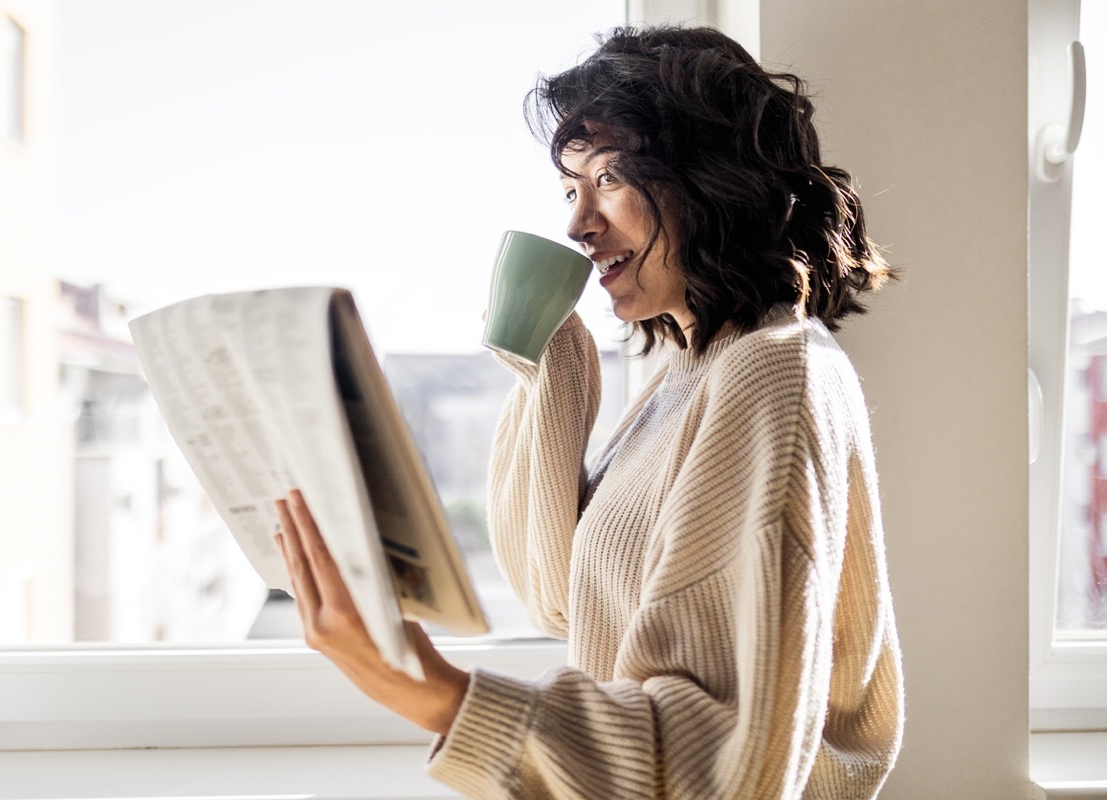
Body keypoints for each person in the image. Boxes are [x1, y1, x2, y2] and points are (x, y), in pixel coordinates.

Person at [273, 24, 905, 799]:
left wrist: (431, 692)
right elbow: (561, 596)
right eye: (571, 190)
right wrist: (551, 368)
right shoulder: (693, 366)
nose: (577, 224)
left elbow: (722, 766)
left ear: (708, 176)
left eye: (609, 177)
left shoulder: (771, 374)